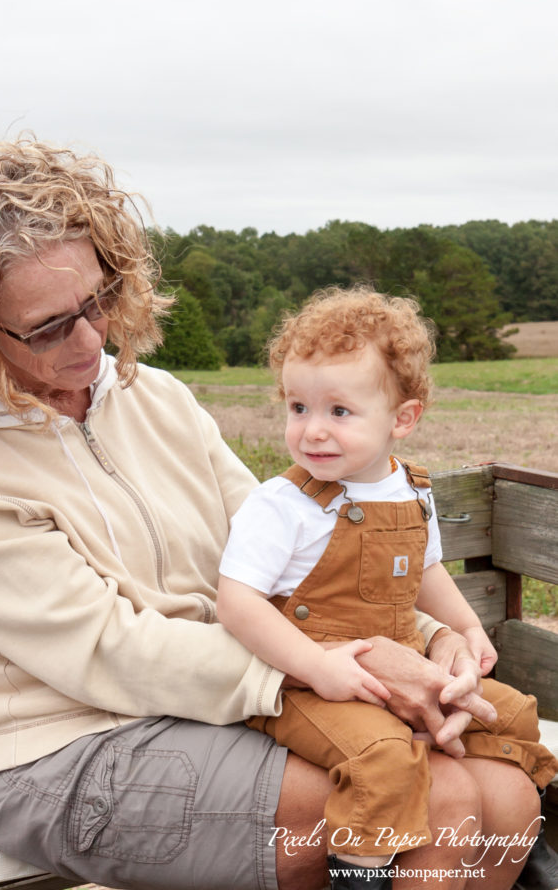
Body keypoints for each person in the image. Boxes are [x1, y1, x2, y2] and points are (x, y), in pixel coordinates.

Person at [0, 110, 542, 890]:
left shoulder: (152, 398)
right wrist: (345, 667)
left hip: (231, 700)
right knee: (441, 798)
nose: (92, 342)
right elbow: (107, 650)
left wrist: (431, 640)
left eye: (98, 300)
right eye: (49, 326)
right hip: (64, 749)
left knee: (504, 791)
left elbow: (294, 552)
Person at [217, 287, 557, 887]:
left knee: (514, 712)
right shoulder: (283, 506)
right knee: (384, 760)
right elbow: (237, 602)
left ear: (403, 418)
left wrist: (466, 630)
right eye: (298, 408)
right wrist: (316, 667)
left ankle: (527, 850)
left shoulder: (411, 490)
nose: (312, 431)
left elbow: (425, 575)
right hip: (311, 682)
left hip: (401, 662)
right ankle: (360, 873)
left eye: (338, 412)